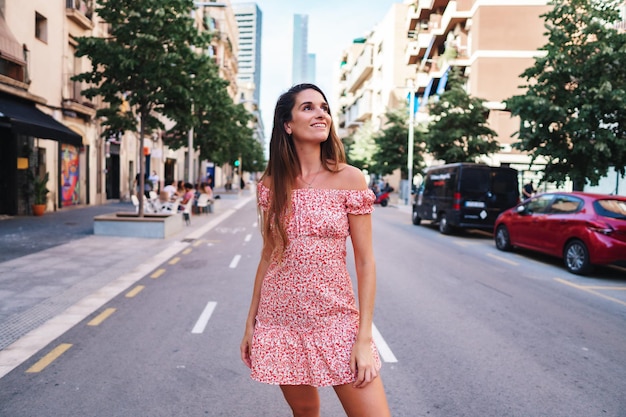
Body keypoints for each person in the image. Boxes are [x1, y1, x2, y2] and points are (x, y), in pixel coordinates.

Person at [240, 83, 391, 417]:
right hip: (280, 322)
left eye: (324, 107)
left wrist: (363, 338)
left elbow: (365, 262)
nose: (321, 113)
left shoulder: (350, 179)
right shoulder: (270, 184)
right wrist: (251, 323)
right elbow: (269, 255)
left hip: (336, 320)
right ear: (287, 124)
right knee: (305, 413)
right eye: (308, 107)